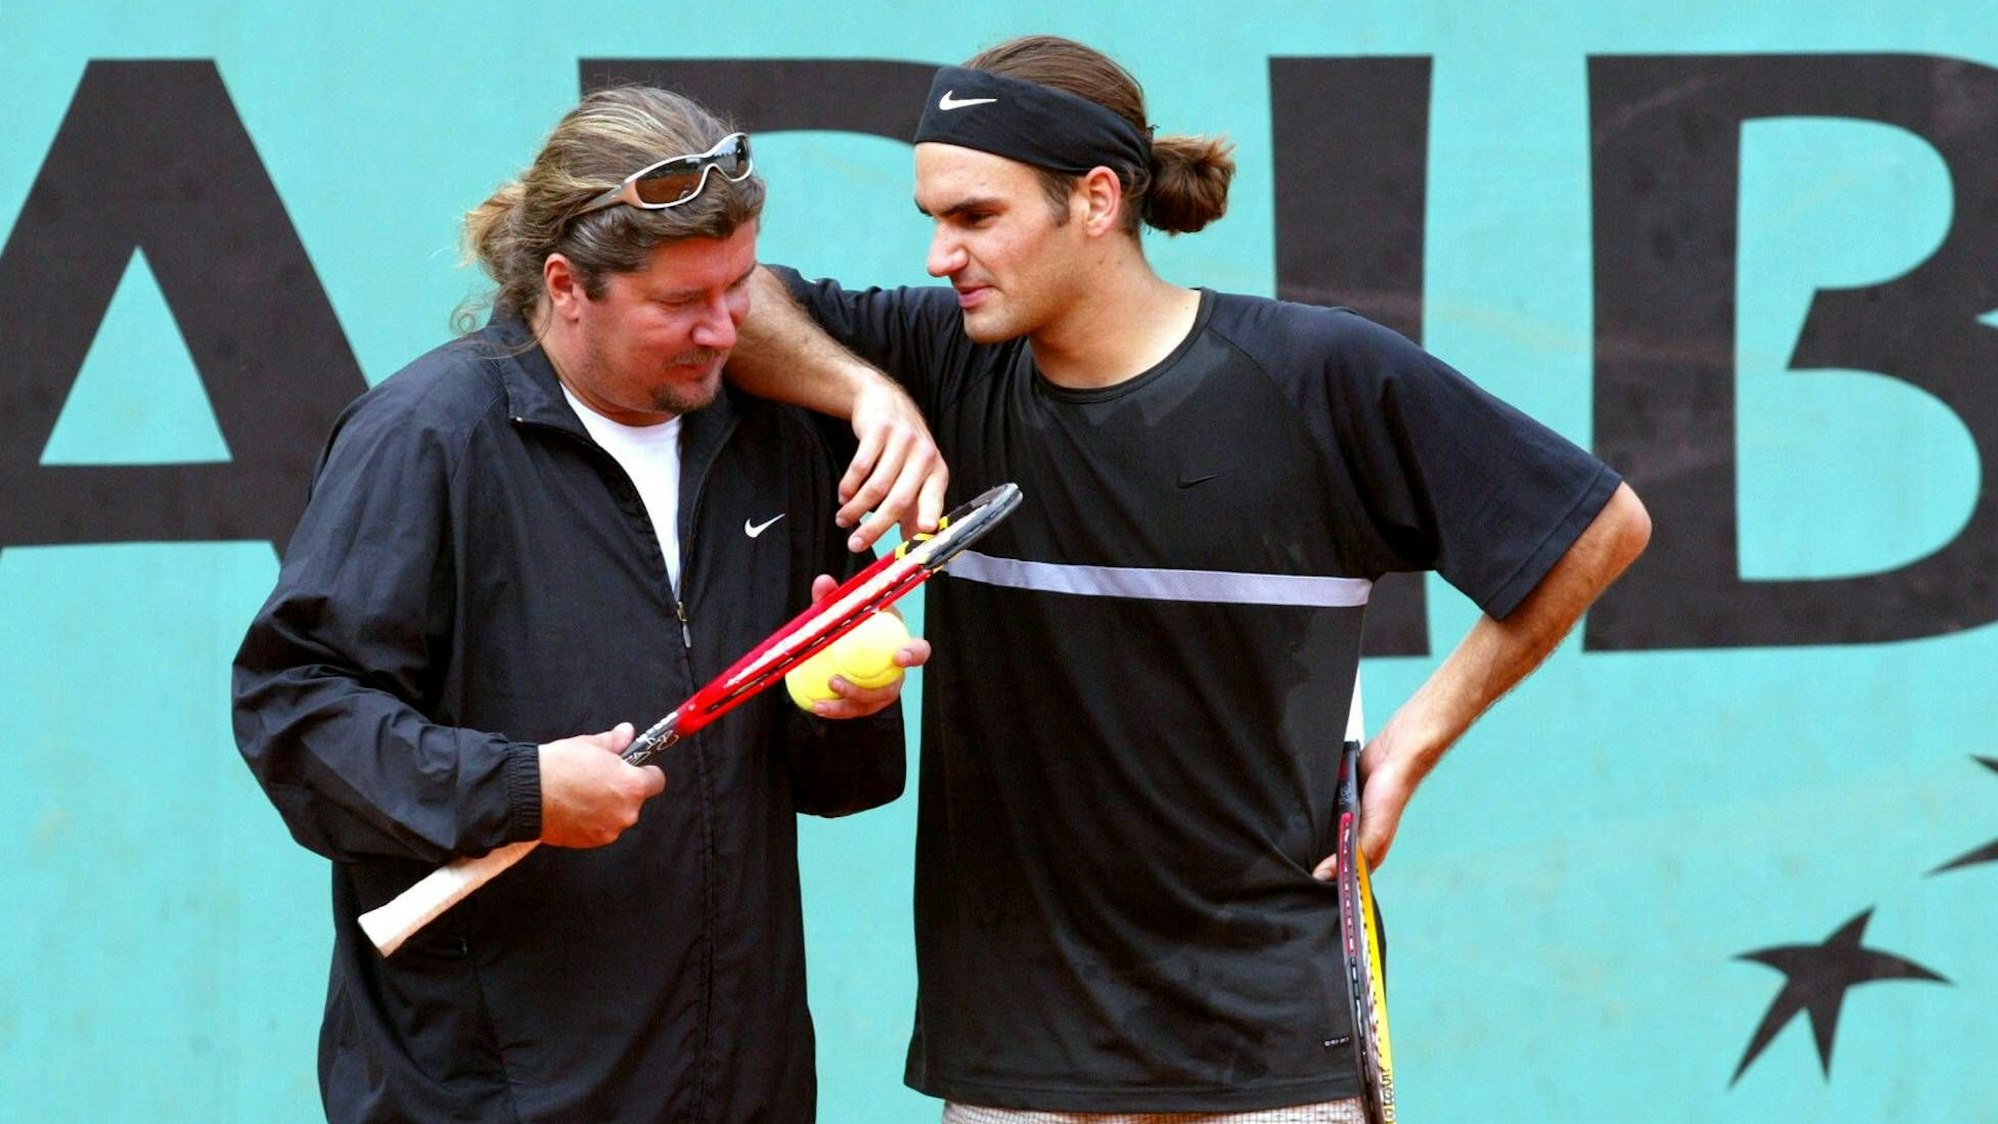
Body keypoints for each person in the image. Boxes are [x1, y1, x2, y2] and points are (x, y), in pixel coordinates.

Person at [727, 34, 1653, 1124]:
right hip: (1022, 1055)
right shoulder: (942, 357)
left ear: (1098, 200)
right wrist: (863, 394)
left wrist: (1413, 742)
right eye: (933, 218)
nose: (941, 254)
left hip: (1272, 1047)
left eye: (976, 217)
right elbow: (743, 304)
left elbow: (1599, 525)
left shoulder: (1317, 374)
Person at [232, 87, 924, 1124]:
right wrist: (518, 789)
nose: (726, 328)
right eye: (683, 301)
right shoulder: (426, 437)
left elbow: (812, 779)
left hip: (746, 1083)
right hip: (481, 1094)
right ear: (565, 285)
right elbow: (296, 711)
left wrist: (842, 709)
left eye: (740, 287)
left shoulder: (774, 438)